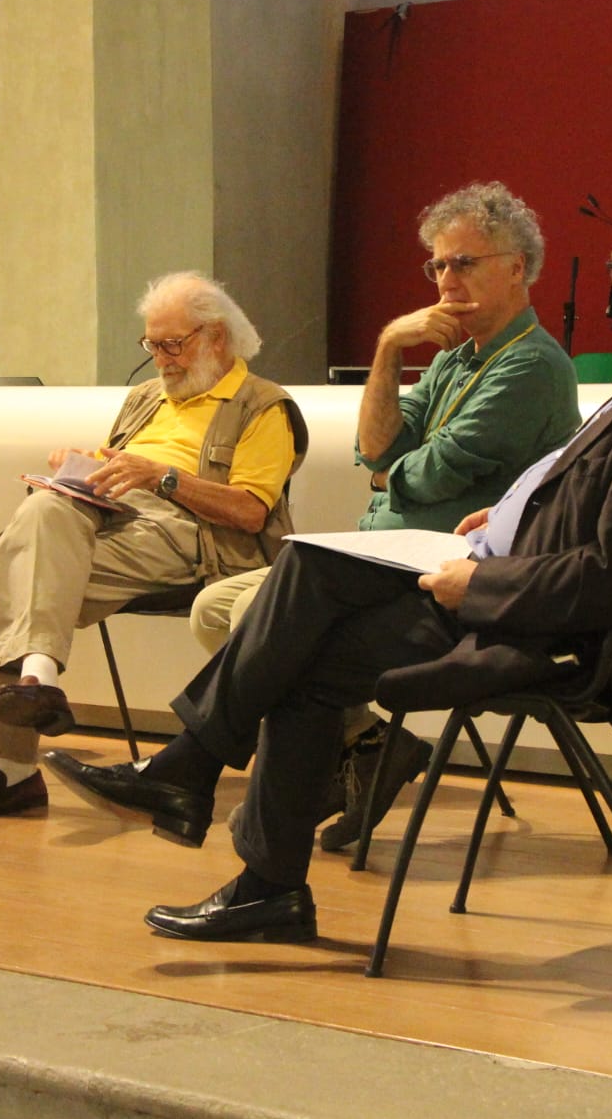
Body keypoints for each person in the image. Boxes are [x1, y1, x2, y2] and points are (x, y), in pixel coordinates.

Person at [45, 179, 612, 943]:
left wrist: (480, 578)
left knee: (301, 641)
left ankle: (217, 816)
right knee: (305, 571)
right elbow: (390, 455)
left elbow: (609, 575)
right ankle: (202, 795)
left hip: (536, 626)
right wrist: (513, 509)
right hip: (513, 577)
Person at [188, 181, 579, 851]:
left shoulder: (533, 366)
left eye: (464, 263)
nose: (445, 280)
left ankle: (246, 782)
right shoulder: (458, 355)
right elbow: (376, 446)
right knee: (215, 607)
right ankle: (366, 743)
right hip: (386, 562)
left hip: (446, 580)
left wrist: (389, 471)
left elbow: (420, 473)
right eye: (437, 265)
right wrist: (389, 347)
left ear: (516, 268)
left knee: (267, 622)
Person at [0, 272, 306, 820]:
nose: (160, 359)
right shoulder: (146, 398)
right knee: (42, 512)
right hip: (116, 521)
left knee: (19, 568)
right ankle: (37, 678)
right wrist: (79, 466)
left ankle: (15, 766)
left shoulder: (263, 406)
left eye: (172, 344)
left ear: (217, 338)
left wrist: (162, 477)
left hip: (200, 537)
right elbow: (116, 468)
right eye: (151, 345)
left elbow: (250, 512)